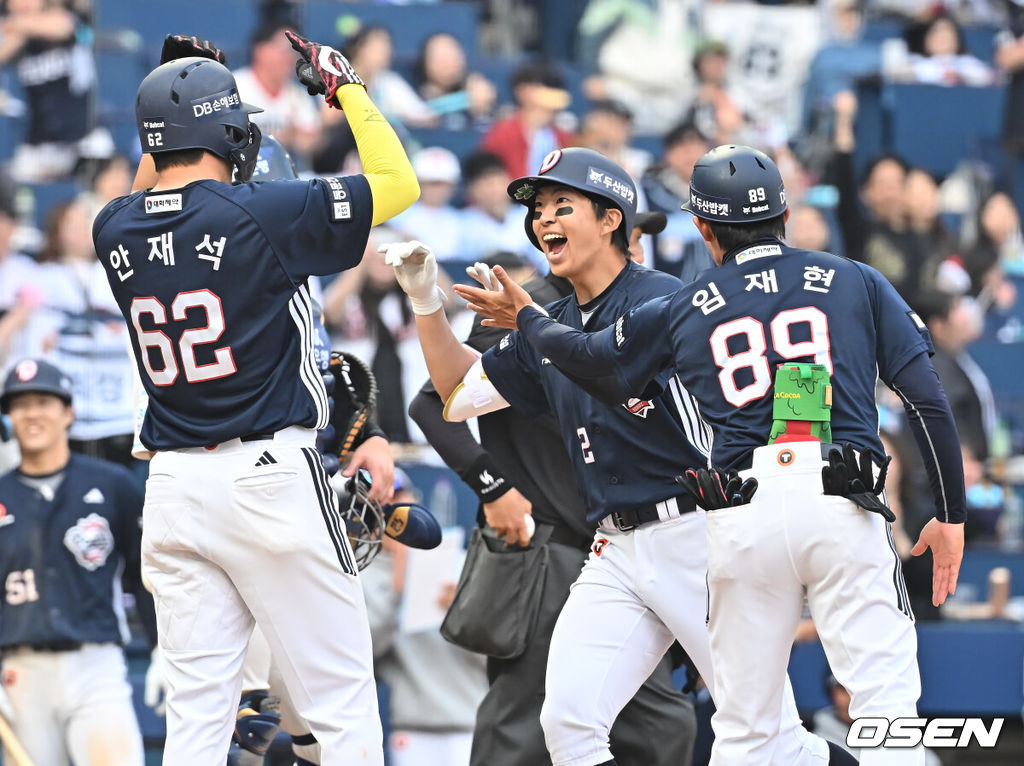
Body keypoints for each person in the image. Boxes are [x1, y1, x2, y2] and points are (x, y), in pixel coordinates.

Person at [457, 145, 967, 765]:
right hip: (837, 493)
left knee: (748, 735)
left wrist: (530, 320)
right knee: (885, 714)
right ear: (784, 210)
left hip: (742, 511)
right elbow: (927, 403)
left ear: (702, 227)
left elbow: (595, 363)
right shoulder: (852, 277)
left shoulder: (684, 302)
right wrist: (950, 513)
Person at [384, 146, 837, 766]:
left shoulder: (665, 298)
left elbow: (617, 363)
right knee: (569, 722)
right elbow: (455, 395)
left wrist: (530, 323)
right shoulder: (554, 318)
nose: (543, 219)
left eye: (561, 205)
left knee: (767, 738)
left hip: (697, 536)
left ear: (611, 220)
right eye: (537, 209)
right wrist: (427, 305)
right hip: (616, 547)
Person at [92, 31, 418, 763]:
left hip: (173, 486)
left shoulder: (111, 224)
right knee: (341, 706)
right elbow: (399, 184)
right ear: (224, 132)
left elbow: (159, 180)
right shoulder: (257, 212)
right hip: (268, 476)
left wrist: (179, 84)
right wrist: (349, 89)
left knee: (197, 723)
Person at [408, 251, 698, 766]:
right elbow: (438, 398)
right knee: (527, 723)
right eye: (543, 211)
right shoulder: (534, 308)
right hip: (544, 543)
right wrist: (491, 486)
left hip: (629, 546)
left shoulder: (643, 308)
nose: (550, 222)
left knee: (663, 725)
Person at [0, 358, 154, 766]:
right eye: (20, 404)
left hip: (96, 665)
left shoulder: (113, 484)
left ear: (68, 412)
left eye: (43, 401)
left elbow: (146, 575)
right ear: (9, 417)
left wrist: (161, 650)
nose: (31, 413)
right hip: (19, 671)